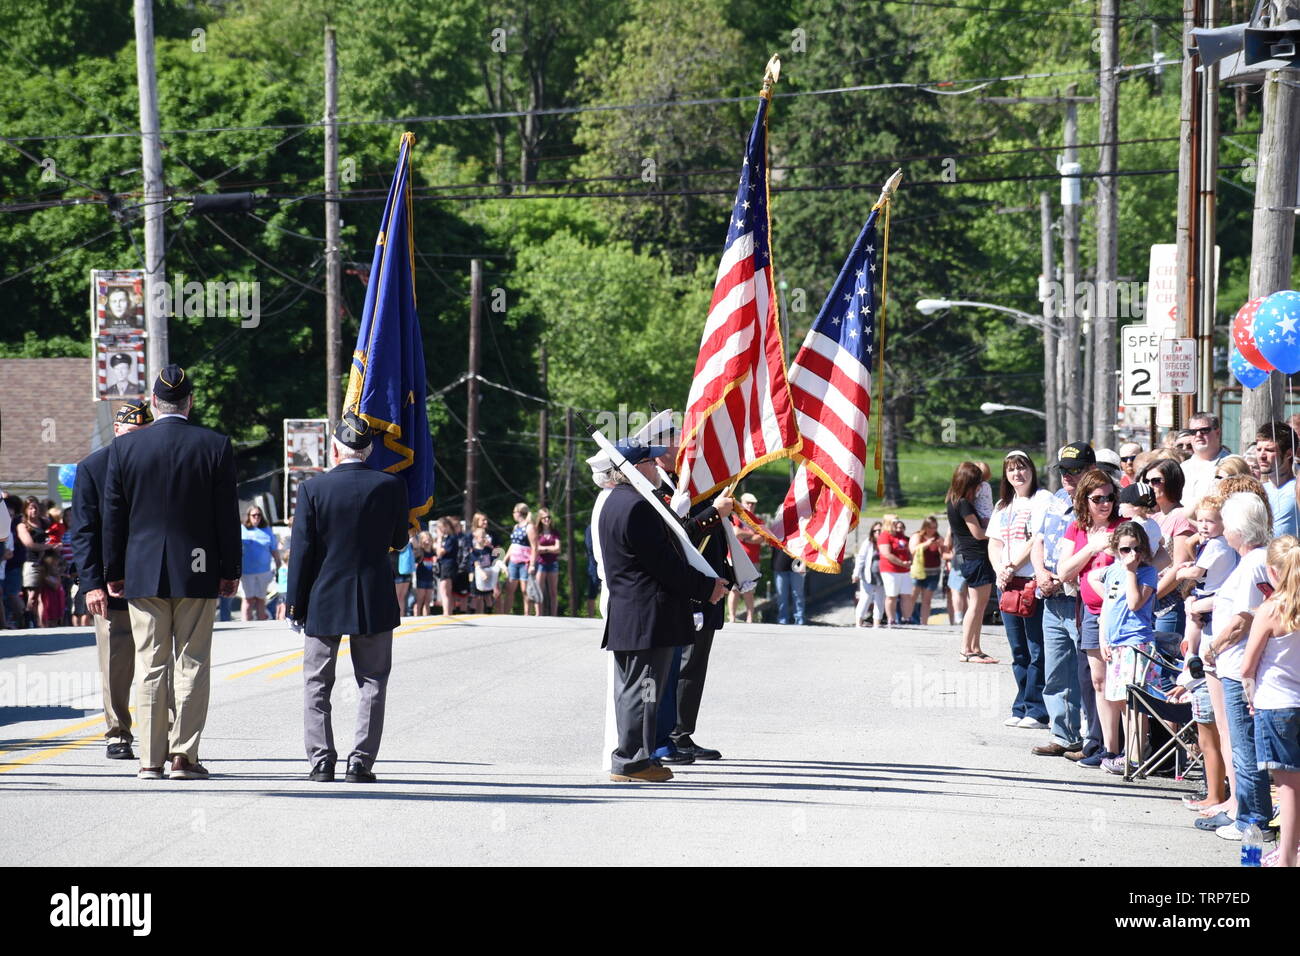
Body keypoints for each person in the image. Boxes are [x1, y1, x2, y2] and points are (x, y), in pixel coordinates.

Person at [103, 364, 241, 781]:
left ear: (154, 402)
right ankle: (183, 755)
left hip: (142, 568)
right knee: (192, 661)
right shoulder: (214, 445)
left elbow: (114, 515)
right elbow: (225, 516)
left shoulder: (125, 449)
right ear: (190, 402)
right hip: (197, 566)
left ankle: (149, 759)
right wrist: (230, 569)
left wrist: (112, 568)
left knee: (150, 663)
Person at [286, 416, 409, 784]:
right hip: (373, 594)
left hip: (323, 596)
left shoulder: (313, 489)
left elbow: (302, 552)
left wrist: (294, 603)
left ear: (335, 449)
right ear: (369, 450)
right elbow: (399, 541)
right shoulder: (392, 485)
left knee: (317, 682)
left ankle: (321, 761)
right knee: (372, 680)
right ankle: (361, 762)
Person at [596, 440, 726, 783]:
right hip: (647, 616)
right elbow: (665, 565)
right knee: (645, 689)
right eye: (651, 464)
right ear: (636, 468)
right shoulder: (638, 507)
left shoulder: (616, 502)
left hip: (633, 617)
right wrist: (706, 588)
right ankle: (632, 761)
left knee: (635, 689)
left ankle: (633, 756)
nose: (657, 468)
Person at [68, 398, 153, 761]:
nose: (135, 440)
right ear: (116, 431)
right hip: (109, 582)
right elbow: (83, 531)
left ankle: (158, 732)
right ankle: (118, 731)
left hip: (153, 579)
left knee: (157, 660)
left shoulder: (157, 466)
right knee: (116, 662)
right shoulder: (93, 468)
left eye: (142, 434)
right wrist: (91, 583)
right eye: (129, 434)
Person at [1201, 492, 1276, 841]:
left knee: (1244, 745)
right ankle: (1246, 812)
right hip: (1240, 664)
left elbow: (1243, 619)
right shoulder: (1258, 559)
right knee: (1244, 743)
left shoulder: (1251, 563)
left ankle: (1252, 818)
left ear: (1238, 528)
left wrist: (1213, 648)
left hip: (1237, 664)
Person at [1240, 535, 1300, 867]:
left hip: (1275, 702)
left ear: (1272, 572)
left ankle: (1288, 856)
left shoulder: (1271, 609)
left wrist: (1250, 697)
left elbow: (1248, 665)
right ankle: (1292, 850)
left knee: (1287, 788)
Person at [1058, 468, 1123, 767]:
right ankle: (1106, 748)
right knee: (1098, 681)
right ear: (1084, 500)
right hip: (1090, 613)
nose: (1105, 504)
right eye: (1098, 498)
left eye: (1109, 497)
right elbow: (1063, 572)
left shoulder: (1123, 526)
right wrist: (1093, 548)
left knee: (1119, 681)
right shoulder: (1077, 529)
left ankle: (1127, 749)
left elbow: (1151, 556)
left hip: (1121, 615)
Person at [989, 451, 1055, 730]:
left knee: (1036, 648)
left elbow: (1035, 540)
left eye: (1023, 467)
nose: (1018, 474)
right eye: (1012, 469)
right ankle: (1021, 705)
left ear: (1032, 470)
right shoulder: (1003, 505)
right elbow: (993, 542)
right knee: (1018, 651)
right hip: (1008, 584)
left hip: (1030, 581)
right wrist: (1000, 571)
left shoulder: (1043, 499)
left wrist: (1012, 566)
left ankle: (1038, 710)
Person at [1093, 521, 1160, 774]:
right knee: (1121, 701)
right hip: (1116, 643)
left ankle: (1135, 756)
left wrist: (1131, 571)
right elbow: (1107, 608)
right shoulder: (1112, 572)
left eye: (1136, 549)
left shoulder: (1146, 573)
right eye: (1124, 550)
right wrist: (1103, 640)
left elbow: (1134, 603)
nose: (1131, 555)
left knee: (1135, 702)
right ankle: (1129, 752)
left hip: (1136, 642)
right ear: (1115, 549)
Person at [1141, 458, 1195, 664]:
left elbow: (1179, 566)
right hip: (1150, 602)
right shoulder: (1153, 518)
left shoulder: (1181, 516)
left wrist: (1149, 597)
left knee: (1165, 668)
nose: (1150, 486)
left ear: (1171, 481)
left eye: (1156, 481)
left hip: (1169, 604)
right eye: (1146, 481)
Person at [947, 463, 997, 663]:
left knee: (980, 604)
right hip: (974, 556)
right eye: (977, 484)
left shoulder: (952, 500)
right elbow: (977, 533)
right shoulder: (964, 504)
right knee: (976, 605)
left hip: (969, 556)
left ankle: (975, 647)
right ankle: (966, 649)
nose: (979, 488)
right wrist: (998, 534)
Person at [1179, 411, 1231, 509]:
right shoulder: (1183, 468)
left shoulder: (1233, 464)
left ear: (1217, 433)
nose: (1198, 435)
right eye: (1193, 432)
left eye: (1204, 430)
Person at [1255, 420, 1298, 537]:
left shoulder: (1293, 492)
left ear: (1289, 453)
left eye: (1269, 450)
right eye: (1259, 449)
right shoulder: (1262, 489)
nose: (1261, 456)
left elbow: (1270, 538)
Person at [239, 505, 279, 622]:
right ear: (249, 516)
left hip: (263, 571)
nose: (256, 517)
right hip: (247, 572)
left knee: (261, 599)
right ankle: (245, 623)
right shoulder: (242, 529)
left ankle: (261, 624)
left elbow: (274, 549)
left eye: (259, 515)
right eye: (254, 515)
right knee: (248, 599)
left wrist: (279, 564)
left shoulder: (267, 530)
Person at [728, 493, 762, 624]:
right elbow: (735, 533)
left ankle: (749, 618)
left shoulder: (758, 521)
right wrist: (751, 534)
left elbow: (760, 538)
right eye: (748, 503)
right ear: (742, 502)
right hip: (735, 559)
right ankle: (732, 617)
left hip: (752, 560)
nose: (750, 505)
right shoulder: (735, 517)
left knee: (749, 592)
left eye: (753, 503)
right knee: (734, 590)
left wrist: (744, 536)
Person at [877, 515, 913, 627]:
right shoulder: (884, 536)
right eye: (894, 522)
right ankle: (891, 619)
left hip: (905, 570)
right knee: (891, 595)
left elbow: (908, 550)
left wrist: (910, 561)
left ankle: (907, 619)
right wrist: (902, 563)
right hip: (890, 570)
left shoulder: (900, 535)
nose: (896, 523)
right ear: (888, 523)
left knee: (906, 594)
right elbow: (887, 554)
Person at [502, 503, 537, 615]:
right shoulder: (516, 527)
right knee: (509, 588)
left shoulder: (529, 527)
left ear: (518, 513)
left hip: (525, 562)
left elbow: (534, 547)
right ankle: (506, 613)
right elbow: (513, 545)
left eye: (514, 512)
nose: (513, 514)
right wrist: (505, 559)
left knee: (525, 590)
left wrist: (532, 564)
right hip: (513, 561)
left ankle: (527, 613)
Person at [909, 516, 943, 626]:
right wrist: (926, 544)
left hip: (933, 572)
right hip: (919, 572)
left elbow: (943, 553)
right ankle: (907, 619)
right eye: (930, 527)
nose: (933, 530)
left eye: (935, 527)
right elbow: (913, 551)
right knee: (913, 597)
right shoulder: (918, 536)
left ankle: (924, 623)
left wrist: (940, 546)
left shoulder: (938, 537)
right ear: (925, 526)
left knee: (927, 600)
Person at [853, 521, 885, 628]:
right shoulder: (868, 542)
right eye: (875, 531)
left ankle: (876, 624)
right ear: (872, 532)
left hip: (883, 577)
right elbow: (860, 558)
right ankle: (859, 622)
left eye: (880, 530)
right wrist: (856, 574)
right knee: (865, 598)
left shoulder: (886, 543)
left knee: (880, 600)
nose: (877, 532)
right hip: (868, 576)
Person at [533, 508, 561, 616]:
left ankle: (554, 615)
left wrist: (543, 549)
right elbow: (535, 548)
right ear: (540, 519)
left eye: (548, 517)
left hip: (553, 564)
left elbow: (558, 549)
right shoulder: (537, 532)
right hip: (540, 564)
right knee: (539, 590)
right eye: (544, 517)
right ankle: (538, 614)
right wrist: (550, 548)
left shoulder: (555, 532)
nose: (547, 519)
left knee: (553, 592)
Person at [413, 530, 436, 616]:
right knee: (420, 599)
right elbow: (416, 556)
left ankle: (426, 617)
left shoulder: (433, 552)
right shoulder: (421, 551)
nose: (428, 541)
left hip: (430, 578)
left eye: (429, 539)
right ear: (421, 541)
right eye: (425, 540)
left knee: (428, 600)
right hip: (421, 578)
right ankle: (416, 617)